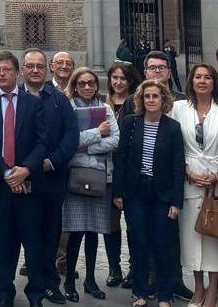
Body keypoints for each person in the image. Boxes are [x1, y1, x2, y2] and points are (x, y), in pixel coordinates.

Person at [0, 50, 49, 307]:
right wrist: (7, 173)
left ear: (17, 72)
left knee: (33, 242)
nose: (2, 74)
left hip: (29, 184)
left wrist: (25, 170)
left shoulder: (34, 103)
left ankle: (36, 295)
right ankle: (4, 292)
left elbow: (43, 142)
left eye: (7, 69)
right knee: (3, 243)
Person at [112, 79, 183, 307]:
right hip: (135, 192)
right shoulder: (130, 123)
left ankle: (165, 295)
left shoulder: (172, 127)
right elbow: (121, 158)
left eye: (155, 96)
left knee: (162, 243)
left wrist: (176, 201)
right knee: (139, 241)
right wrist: (118, 192)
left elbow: (177, 166)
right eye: (147, 96)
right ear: (141, 100)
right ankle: (140, 292)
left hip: (162, 193)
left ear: (163, 99)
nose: (151, 100)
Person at [172, 63, 218, 307]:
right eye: (197, 77)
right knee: (191, 238)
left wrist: (217, 174)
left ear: (214, 82)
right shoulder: (179, 108)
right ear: (191, 81)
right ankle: (198, 288)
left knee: (215, 236)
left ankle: (213, 289)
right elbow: (173, 145)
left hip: (216, 182)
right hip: (188, 180)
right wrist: (186, 171)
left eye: (207, 77)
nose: (202, 81)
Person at [23, 49, 78, 305]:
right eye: (30, 66)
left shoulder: (58, 100)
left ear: (47, 69)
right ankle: (33, 285)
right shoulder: (15, 98)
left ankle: (50, 283)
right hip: (22, 181)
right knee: (28, 235)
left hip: (52, 179)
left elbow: (71, 135)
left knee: (50, 234)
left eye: (39, 66)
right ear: (23, 69)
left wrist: (52, 162)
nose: (35, 70)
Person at [61, 66, 119, 302]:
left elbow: (115, 139)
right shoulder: (68, 108)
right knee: (75, 232)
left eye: (91, 83)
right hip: (75, 177)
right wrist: (96, 132)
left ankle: (91, 279)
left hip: (100, 178)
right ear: (75, 86)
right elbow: (68, 141)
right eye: (82, 83)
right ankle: (69, 280)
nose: (87, 87)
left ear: (97, 86)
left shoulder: (106, 108)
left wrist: (88, 147)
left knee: (94, 231)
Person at [101, 61, 141, 288]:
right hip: (107, 170)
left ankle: (135, 268)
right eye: (114, 78)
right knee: (111, 222)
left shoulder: (137, 102)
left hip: (130, 170)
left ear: (130, 81)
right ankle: (114, 268)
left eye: (122, 78)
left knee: (134, 222)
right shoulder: (101, 102)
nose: (118, 82)